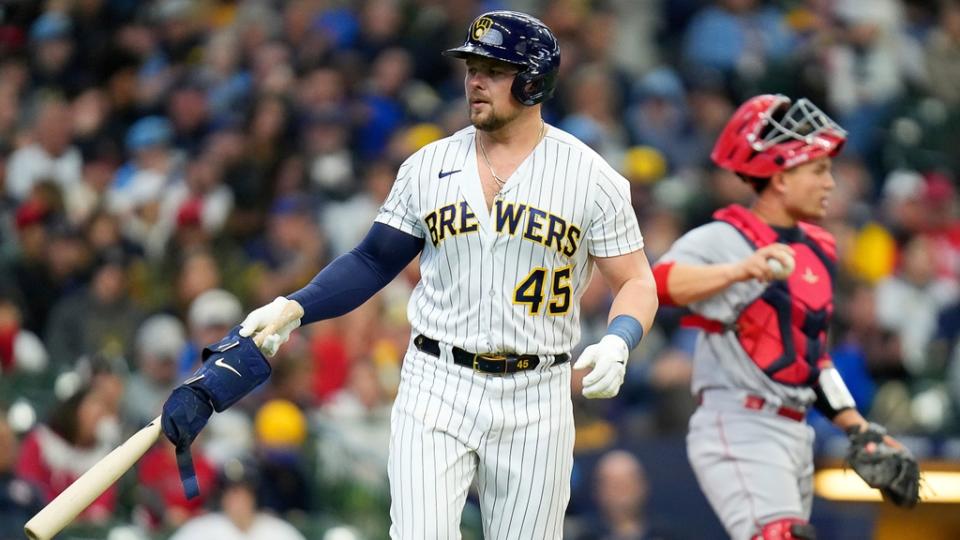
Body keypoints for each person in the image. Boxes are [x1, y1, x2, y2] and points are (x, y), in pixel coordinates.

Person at [161, 10, 658, 539]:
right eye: (471, 67)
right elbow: (373, 260)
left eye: (492, 68)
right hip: (438, 379)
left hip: (538, 390)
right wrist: (296, 306)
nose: (475, 80)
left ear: (533, 81)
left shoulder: (591, 177)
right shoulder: (428, 167)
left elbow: (636, 281)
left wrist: (621, 339)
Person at [652, 94, 910, 539]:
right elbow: (656, 284)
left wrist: (856, 426)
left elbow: (813, 357)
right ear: (781, 177)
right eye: (818, 170)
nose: (831, 183)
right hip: (738, 420)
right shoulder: (724, 237)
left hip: (795, 431)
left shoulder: (819, 246)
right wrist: (739, 270)